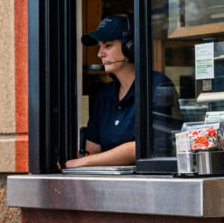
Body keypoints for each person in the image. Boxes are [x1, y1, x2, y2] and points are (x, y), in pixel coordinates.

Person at [65, 14, 177, 168]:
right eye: (99, 46)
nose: (100, 54)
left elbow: (144, 147)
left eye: (108, 45)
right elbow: (92, 148)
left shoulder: (157, 86)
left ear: (129, 47)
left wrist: (85, 161)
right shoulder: (104, 94)